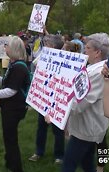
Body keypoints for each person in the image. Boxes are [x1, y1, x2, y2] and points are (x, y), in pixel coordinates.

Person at [61, 33, 109, 172]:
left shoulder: (99, 73)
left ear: (97, 52)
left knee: (68, 167)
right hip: (87, 127)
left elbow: (80, 104)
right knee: (88, 165)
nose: (84, 51)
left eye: (87, 48)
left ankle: (100, 167)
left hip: (86, 129)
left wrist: (58, 107)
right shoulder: (93, 68)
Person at [0, 36, 30, 172]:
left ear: (14, 49)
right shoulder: (14, 64)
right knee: (8, 136)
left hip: (14, 108)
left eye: (7, 46)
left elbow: (11, 90)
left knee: (11, 139)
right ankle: (9, 161)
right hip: (10, 107)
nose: (5, 48)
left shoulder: (19, 67)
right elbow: (7, 83)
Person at [29, 34, 65, 164]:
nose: (45, 46)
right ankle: (39, 151)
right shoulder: (43, 57)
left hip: (57, 100)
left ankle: (59, 155)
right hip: (44, 98)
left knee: (57, 129)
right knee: (41, 127)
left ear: (54, 46)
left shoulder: (64, 59)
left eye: (47, 44)